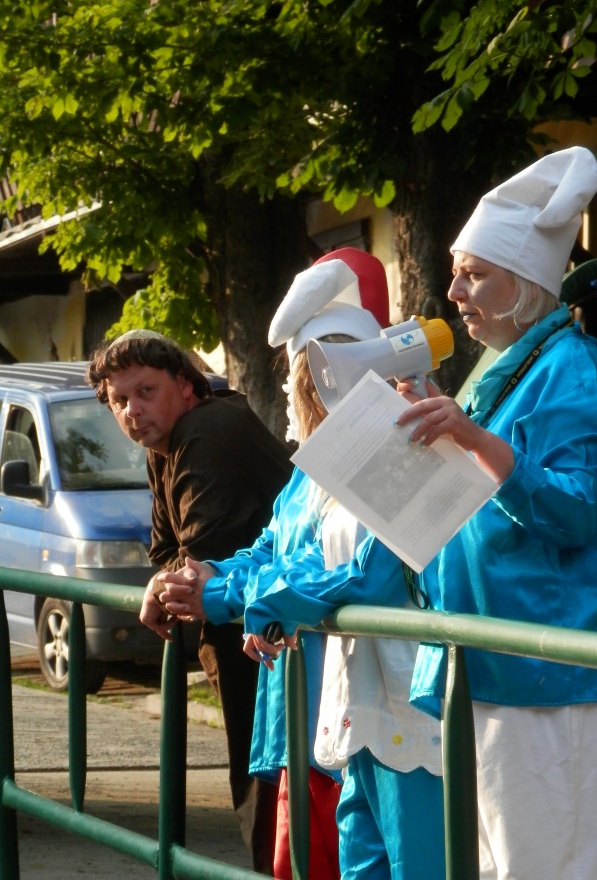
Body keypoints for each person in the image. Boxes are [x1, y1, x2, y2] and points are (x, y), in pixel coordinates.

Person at [395, 146, 597, 880]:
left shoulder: (571, 370)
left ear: (526, 281)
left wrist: (469, 438)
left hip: (552, 674)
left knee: (548, 866)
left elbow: (572, 513)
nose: (453, 291)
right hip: (498, 665)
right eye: (456, 272)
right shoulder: (503, 371)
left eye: (472, 273)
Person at [153, 247, 410, 880]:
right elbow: (272, 550)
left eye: (301, 375)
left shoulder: (396, 453)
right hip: (311, 703)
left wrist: (242, 597)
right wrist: (212, 581)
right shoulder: (309, 472)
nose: (297, 396)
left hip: (381, 709)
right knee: (308, 861)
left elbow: (372, 569)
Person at [86, 331, 292, 875]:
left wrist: (165, 582)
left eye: (145, 391)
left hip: (269, 640)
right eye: (119, 400)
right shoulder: (170, 439)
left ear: (185, 384)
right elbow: (164, 552)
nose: (132, 411)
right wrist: (165, 579)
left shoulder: (208, 430)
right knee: (264, 790)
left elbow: (198, 561)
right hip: (250, 633)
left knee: (268, 790)